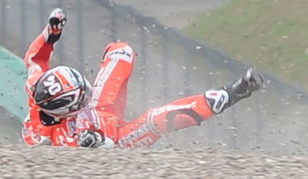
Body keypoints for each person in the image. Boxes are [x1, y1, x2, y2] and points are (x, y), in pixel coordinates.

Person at [23, 8, 264, 148]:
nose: (88, 90)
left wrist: (51, 33)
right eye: (81, 95)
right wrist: (97, 142)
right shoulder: (58, 139)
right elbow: (100, 158)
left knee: (121, 51)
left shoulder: (37, 85)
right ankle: (230, 94)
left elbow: (35, 60)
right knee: (157, 119)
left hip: (102, 110)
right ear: (65, 111)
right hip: (115, 140)